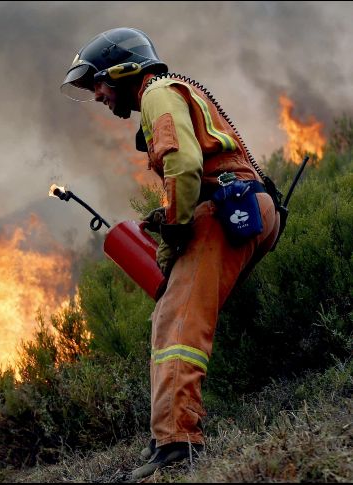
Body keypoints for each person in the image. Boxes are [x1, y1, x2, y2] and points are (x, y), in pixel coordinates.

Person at [60, 27, 281, 480]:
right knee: (175, 316)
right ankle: (170, 430)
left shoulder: (158, 92)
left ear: (122, 71)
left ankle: (177, 441)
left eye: (98, 83)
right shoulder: (175, 91)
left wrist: (176, 228)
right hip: (246, 207)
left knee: (178, 323)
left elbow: (182, 164)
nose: (98, 96)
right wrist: (168, 221)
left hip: (226, 210)